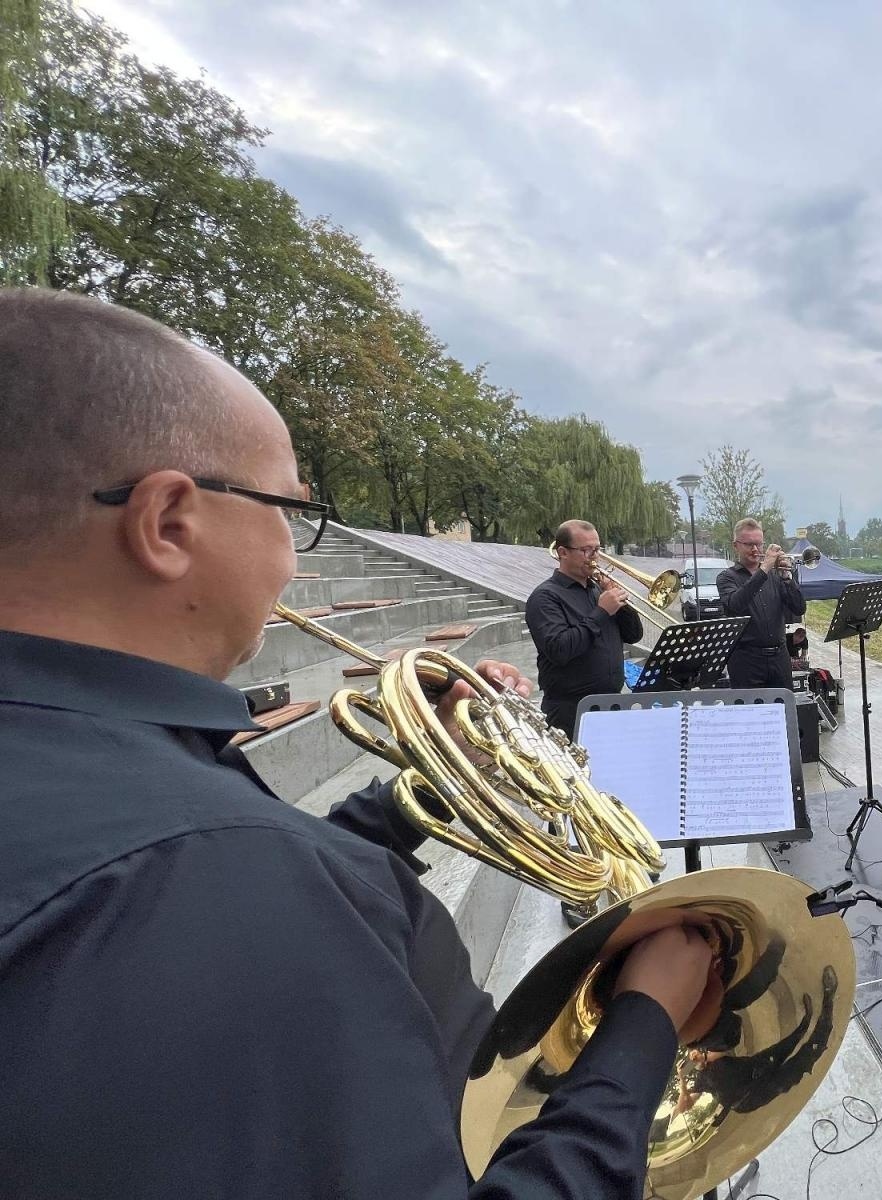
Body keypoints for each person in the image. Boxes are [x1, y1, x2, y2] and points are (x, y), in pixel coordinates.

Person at [0, 289, 714, 1199]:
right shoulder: (203, 872)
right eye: (287, 513)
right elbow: (221, 886)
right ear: (168, 523)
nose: (295, 555)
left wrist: (416, 798)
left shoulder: (109, 788)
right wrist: (647, 1018)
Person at [524, 519, 644, 738]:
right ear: (563, 552)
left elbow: (634, 635)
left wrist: (620, 602)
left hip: (611, 704)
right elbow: (559, 649)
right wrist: (601, 612)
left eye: (597, 549)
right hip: (570, 712)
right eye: (585, 550)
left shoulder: (598, 590)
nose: (594, 557)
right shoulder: (545, 597)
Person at [717, 517, 806, 688]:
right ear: (736, 545)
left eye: (759, 544)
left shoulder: (776, 575)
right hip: (746, 660)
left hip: (779, 658)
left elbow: (799, 608)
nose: (756, 549)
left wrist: (787, 577)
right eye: (749, 544)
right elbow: (735, 604)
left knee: (783, 711)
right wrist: (764, 568)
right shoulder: (726, 577)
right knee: (751, 712)